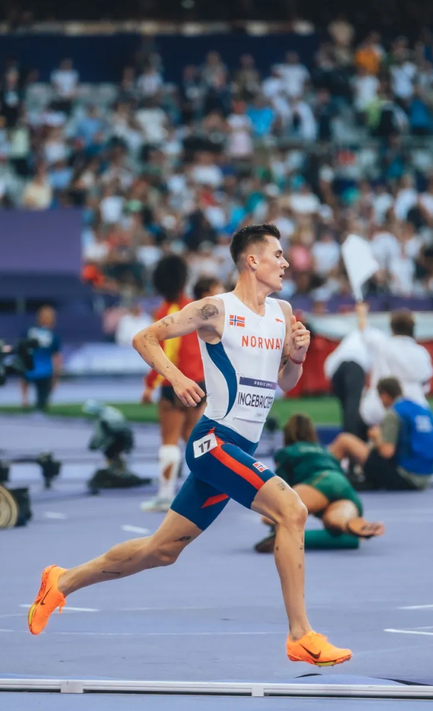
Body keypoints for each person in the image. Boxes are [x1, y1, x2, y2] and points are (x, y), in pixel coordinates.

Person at [28, 224, 352, 666]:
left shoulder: (283, 312)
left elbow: (287, 383)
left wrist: (296, 356)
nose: (285, 262)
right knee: (291, 511)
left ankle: (61, 581)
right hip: (212, 442)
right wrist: (178, 377)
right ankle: (301, 635)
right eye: (277, 254)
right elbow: (144, 337)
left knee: (161, 551)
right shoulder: (215, 309)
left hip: (239, 451)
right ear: (252, 260)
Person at [254, 413, 384, 554]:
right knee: (336, 522)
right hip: (344, 485)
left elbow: (280, 485)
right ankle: (347, 525)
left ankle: (286, 537)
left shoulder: (286, 452)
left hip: (319, 481)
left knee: (270, 516)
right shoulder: (324, 450)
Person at [139, 256, 207, 513]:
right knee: (193, 438)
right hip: (200, 382)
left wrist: (150, 385)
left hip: (176, 384)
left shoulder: (168, 311)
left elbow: (166, 352)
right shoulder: (195, 308)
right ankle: (210, 487)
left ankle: (165, 495)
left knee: (169, 440)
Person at [330, 377, 433, 492]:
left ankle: (322, 477)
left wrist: (376, 436)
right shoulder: (422, 410)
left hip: (406, 478)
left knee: (344, 440)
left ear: (384, 395)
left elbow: (387, 451)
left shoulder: (394, 413)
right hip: (425, 477)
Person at [356, 302, 433, 429]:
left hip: (382, 409)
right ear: (413, 329)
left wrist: (361, 313)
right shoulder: (422, 353)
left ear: (391, 328)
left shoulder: (382, 345)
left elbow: (364, 330)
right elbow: (426, 387)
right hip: (417, 410)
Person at [324, 328, 370, 437]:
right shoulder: (368, 339)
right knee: (352, 403)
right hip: (353, 366)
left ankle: (349, 435)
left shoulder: (350, 339)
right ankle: (351, 438)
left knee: (346, 405)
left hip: (335, 369)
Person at [20, 305, 62, 411]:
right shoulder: (52, 335)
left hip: (30, 369)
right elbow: (56, 356)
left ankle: (25, 402)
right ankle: (40, 404)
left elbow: (22, 350)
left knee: (27, 382)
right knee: (42, 403)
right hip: (45, 372)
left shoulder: (29, 331)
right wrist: (57, 372)